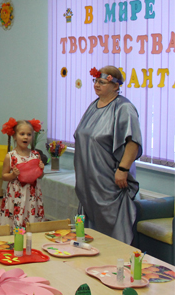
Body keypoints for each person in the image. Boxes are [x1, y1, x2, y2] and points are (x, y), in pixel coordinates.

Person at [74, 65, 142, 244]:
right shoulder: (93, 106)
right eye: (95, 81)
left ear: (116, 86)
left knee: (111, 229)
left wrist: (123, 169)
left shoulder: (124, 108)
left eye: (102, 82)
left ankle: (115, 256)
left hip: (110, 180)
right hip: (89, 180)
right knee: (90, 231)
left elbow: (133, 142)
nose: (97, 85)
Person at [0, 118, 45, 229]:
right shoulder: (10, 156)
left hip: (31, 193)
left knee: (31, 215)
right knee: (16, 216)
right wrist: (12, 175)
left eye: (29, 134)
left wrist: (41, 170)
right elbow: (4, 176)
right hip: (16, 193)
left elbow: (40, 176)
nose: (26, 137)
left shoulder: (35, 155)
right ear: (15, 136)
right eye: (22, 134)